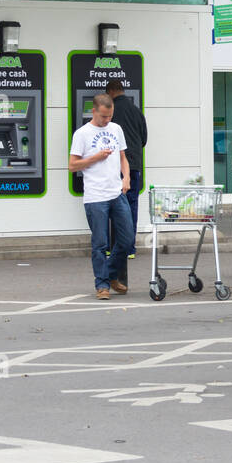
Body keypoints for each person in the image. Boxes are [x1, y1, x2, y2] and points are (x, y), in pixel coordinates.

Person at [68, 93, 133, 300]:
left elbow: (123, 157)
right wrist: (95, 157)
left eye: (110, 116)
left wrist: (127, 178)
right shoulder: (82, 134)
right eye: (104, 116)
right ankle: (102, 285)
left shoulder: (116, 129)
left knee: (127, 239)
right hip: (95, 196)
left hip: (116, 191)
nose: (107, 120)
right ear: (94, 111)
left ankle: (111, 275)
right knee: (100, 244)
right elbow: (72, 165)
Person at [105, 78, 147, 270]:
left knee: (111, 205)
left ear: (112, 91)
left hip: (115, 166)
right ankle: (129, 248)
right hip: (135, 165)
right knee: (131, 206)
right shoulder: (136, 110)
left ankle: (111, 247)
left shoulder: (111, 112)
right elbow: (144, 139)